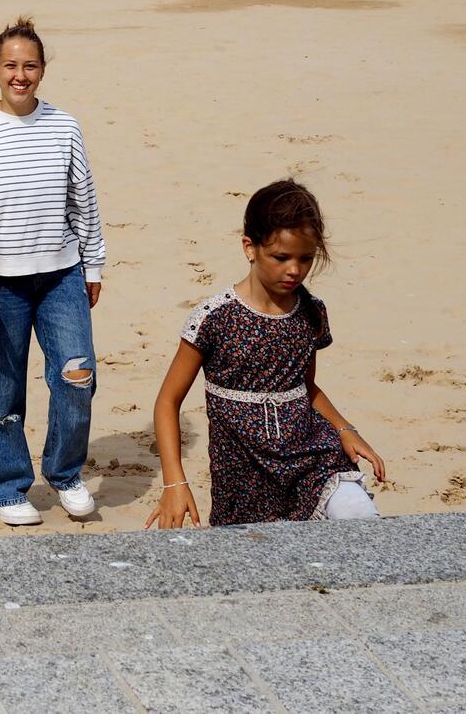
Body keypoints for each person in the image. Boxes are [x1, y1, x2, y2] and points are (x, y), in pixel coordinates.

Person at [145, 180, 387, 529]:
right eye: (281, 257)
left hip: (312, 458)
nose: (295, 270)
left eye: (306, 258)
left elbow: (307, 387)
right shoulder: (214, 318)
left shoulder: (312, 311)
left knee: (359, 517)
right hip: (243, 478)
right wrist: (174, 483)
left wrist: (344, 428)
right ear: (250, 247)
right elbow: (167, 401)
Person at [0, 18, 105, 526]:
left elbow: (83, 199)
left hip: (63, 276)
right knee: (3, 390)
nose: (21, 75)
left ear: (42, 70)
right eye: (11, 66)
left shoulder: (65, 126)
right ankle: (8, 487)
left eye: (30, 66)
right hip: (2, 284)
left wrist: (94, 262)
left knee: (77, 378)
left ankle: (65, 474)